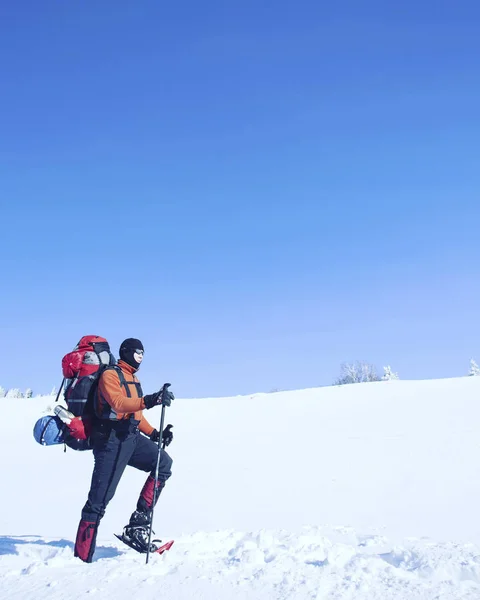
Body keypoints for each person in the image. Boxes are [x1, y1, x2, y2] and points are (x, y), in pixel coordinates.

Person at [73, 338, 175, 563]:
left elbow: (136, 413)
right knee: (99, 500)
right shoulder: (110, 375)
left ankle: (137, 526)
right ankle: (81, 559)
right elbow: (118, 403)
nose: (140, 357)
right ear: (127, 352)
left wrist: (154, 434)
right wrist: (150, 400)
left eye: (143, 353)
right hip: (110, 440)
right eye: (138, 352)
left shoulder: (133, 378)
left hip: (130, 438)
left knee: (163, 464)